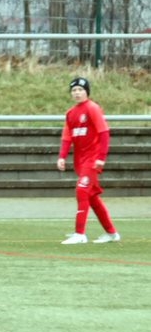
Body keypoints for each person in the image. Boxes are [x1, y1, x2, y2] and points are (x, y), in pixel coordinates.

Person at [57, 77, 120, 244]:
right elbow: (66, 137)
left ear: (87, 92)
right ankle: (112, 233)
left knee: (81, 191)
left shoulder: (92, 108)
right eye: (74, 90)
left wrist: (101, 158)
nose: (77, 93)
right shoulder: (70, 113)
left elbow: (104, 133)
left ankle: (80, 234)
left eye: (80, 90)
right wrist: (62, 156)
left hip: (92, 160)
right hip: (80, 160)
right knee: (92, 198)